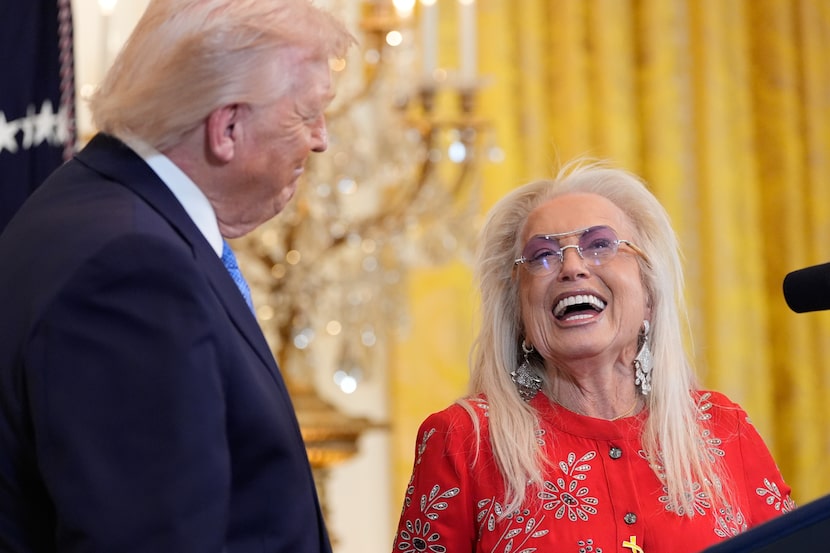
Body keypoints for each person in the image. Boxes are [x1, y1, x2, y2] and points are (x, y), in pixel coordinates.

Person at [0, 1, 355, 551]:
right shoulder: (130, 267)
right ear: (228, 127)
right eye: (307, 114)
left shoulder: (99, 211)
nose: (321, 140)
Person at [392, 160, 794, 553]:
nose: (571, 266)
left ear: (649, 294)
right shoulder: (464, 440)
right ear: (519, 312)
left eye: (600, 244)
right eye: (542, 255)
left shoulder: (723, 430)